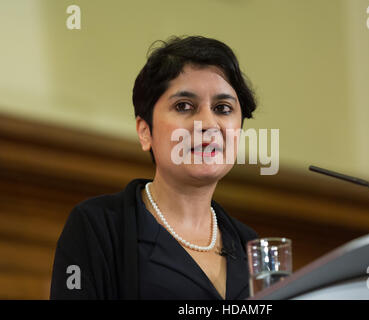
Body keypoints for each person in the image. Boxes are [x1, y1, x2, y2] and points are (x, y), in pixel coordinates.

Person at [49, 35, 259, 300]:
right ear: (145, 131)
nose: (208, 123)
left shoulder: (249, 245)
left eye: (222, 108)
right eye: (184, 106)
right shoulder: (98, 226)